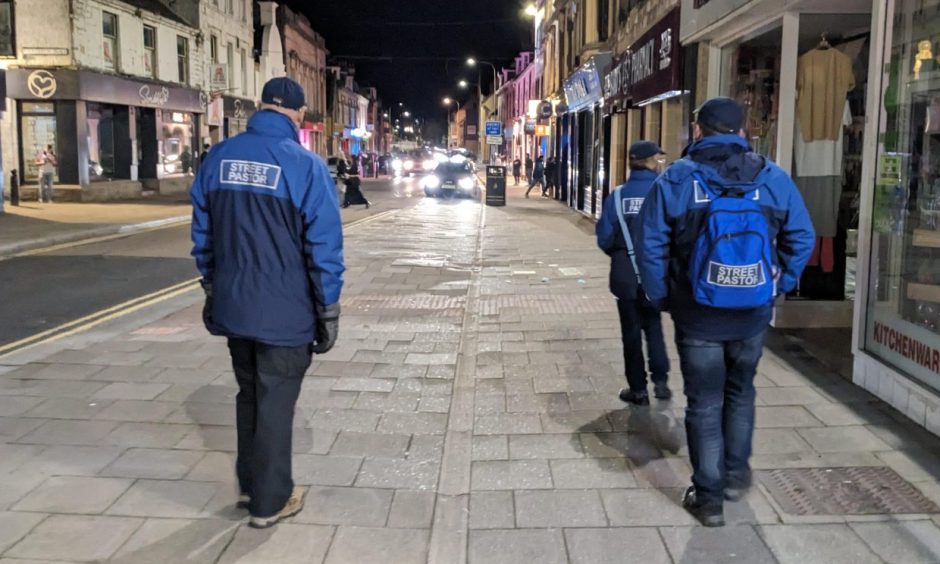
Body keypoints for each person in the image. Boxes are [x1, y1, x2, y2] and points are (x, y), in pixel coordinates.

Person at [636, 97, 815, 527]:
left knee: (703, 401)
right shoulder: (772, 177)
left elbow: (651, 246)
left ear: (698, 130)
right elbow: (802, 237)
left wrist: (663, 297)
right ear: (743, 131)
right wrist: (779, 285)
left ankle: (709, 498)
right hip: (752, 311)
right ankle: (735, 476)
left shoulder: (677, 178)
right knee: (741, 391)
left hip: (697, 313)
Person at [190, 76, 345, 529]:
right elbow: (324, 248)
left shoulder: (218, 157)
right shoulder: (305, 165)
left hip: (235, 304)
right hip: (286, 308)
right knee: (276, 400)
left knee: (250, 395)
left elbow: (203, 236)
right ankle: (270, 501)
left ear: (260, 108)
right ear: (297, 115)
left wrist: (211, 286)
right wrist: (328, 309)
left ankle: (249, 485)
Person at [596, 141, 671, 406]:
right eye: (658, 159)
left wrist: (622, 255)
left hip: (625, 277)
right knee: (654, 327)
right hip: (656, 275)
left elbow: (604, 237)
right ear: (651, 162)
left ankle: (638, 389)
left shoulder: (616, 196)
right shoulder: (663, 191)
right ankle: (661, 380)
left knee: (630, 333)